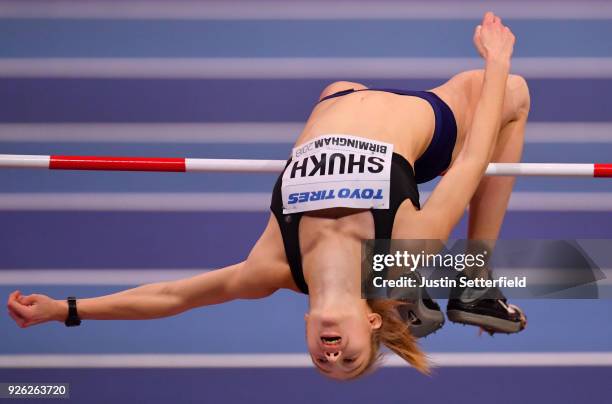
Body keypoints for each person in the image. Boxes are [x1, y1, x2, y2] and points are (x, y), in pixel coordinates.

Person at [7, 12, 530, 380]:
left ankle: (419, 297)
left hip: (340, 97)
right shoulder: (401, 252)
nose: (332, 358)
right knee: (512, 94)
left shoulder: (273, 266)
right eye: (349, 360)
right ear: (371, 323)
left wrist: (65, 309)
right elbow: (472, 160)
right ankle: (475, 281)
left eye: (321, 362)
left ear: (306, 329)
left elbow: (172, 297)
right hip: (424, 131)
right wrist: (497, 62)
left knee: (339, 86)